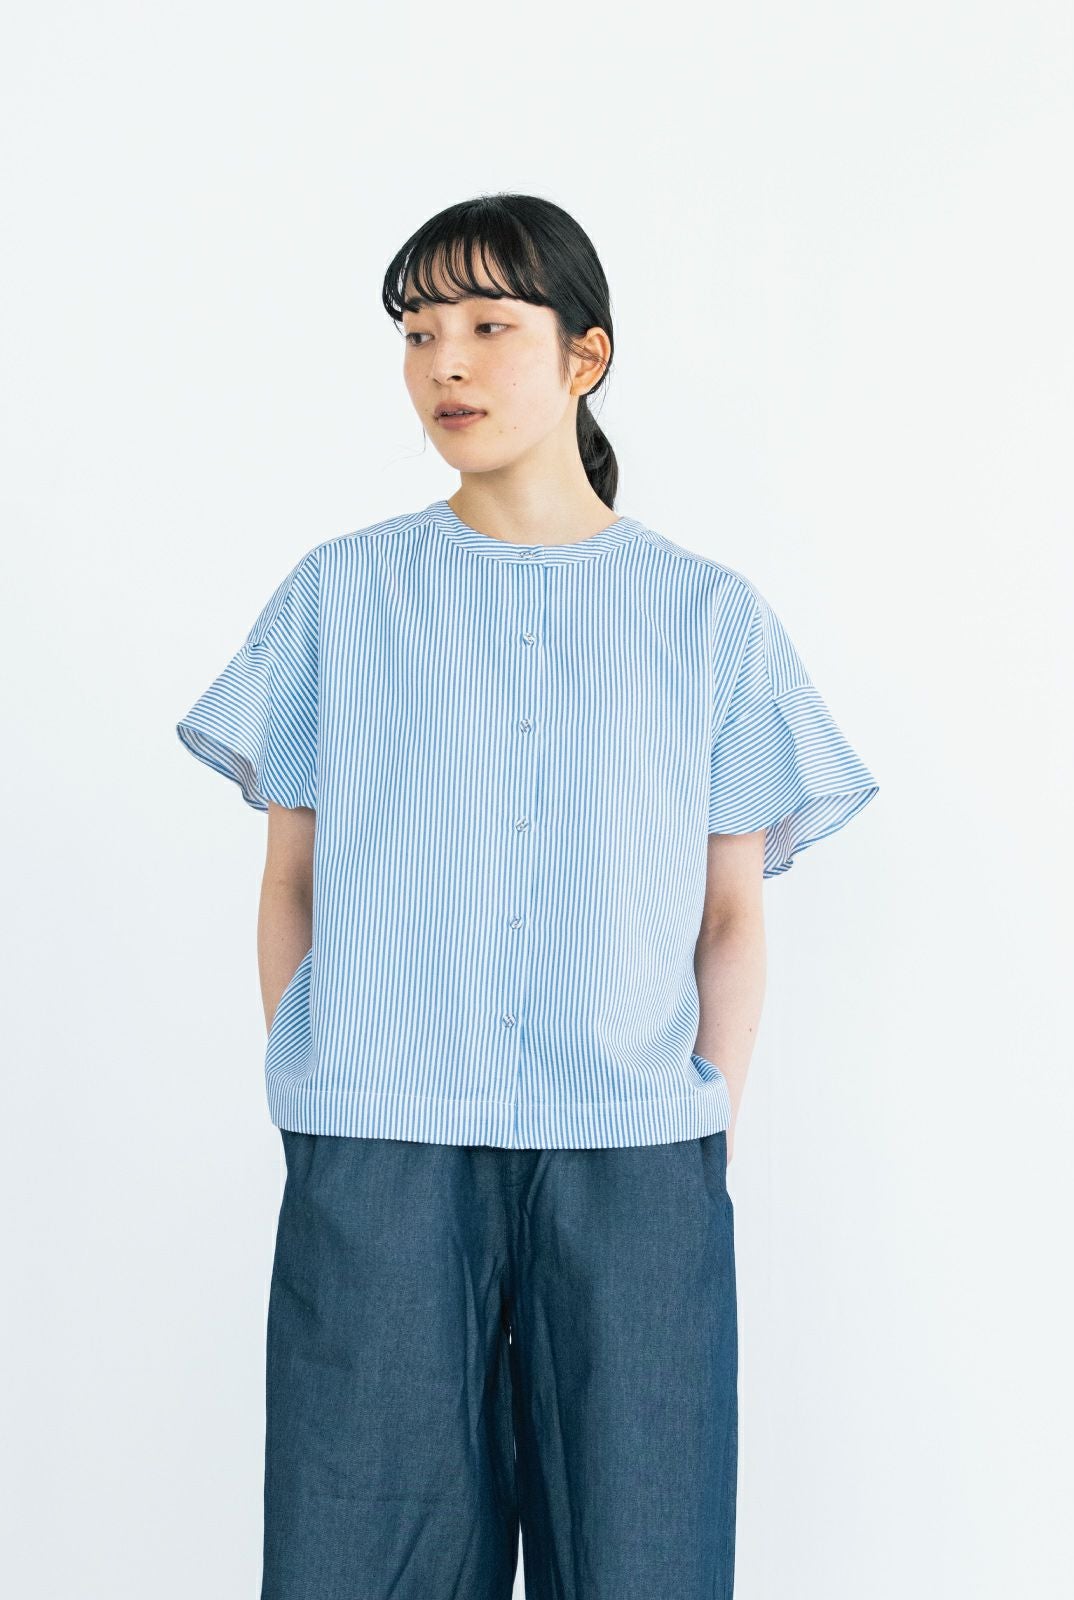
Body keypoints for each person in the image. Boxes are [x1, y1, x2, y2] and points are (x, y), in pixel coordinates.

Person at [175, 192, 879, 1600]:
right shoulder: (339, 597)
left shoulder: (708, 617)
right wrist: (316, 1085)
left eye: (491, 326)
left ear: (585, 355)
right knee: (357, 1559)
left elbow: (730, 915)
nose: (446, 361)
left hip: (635, 1159)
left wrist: (698, 1125)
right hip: (379, 1143)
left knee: (642, 1559)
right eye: (418, 331)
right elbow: (290, 880)